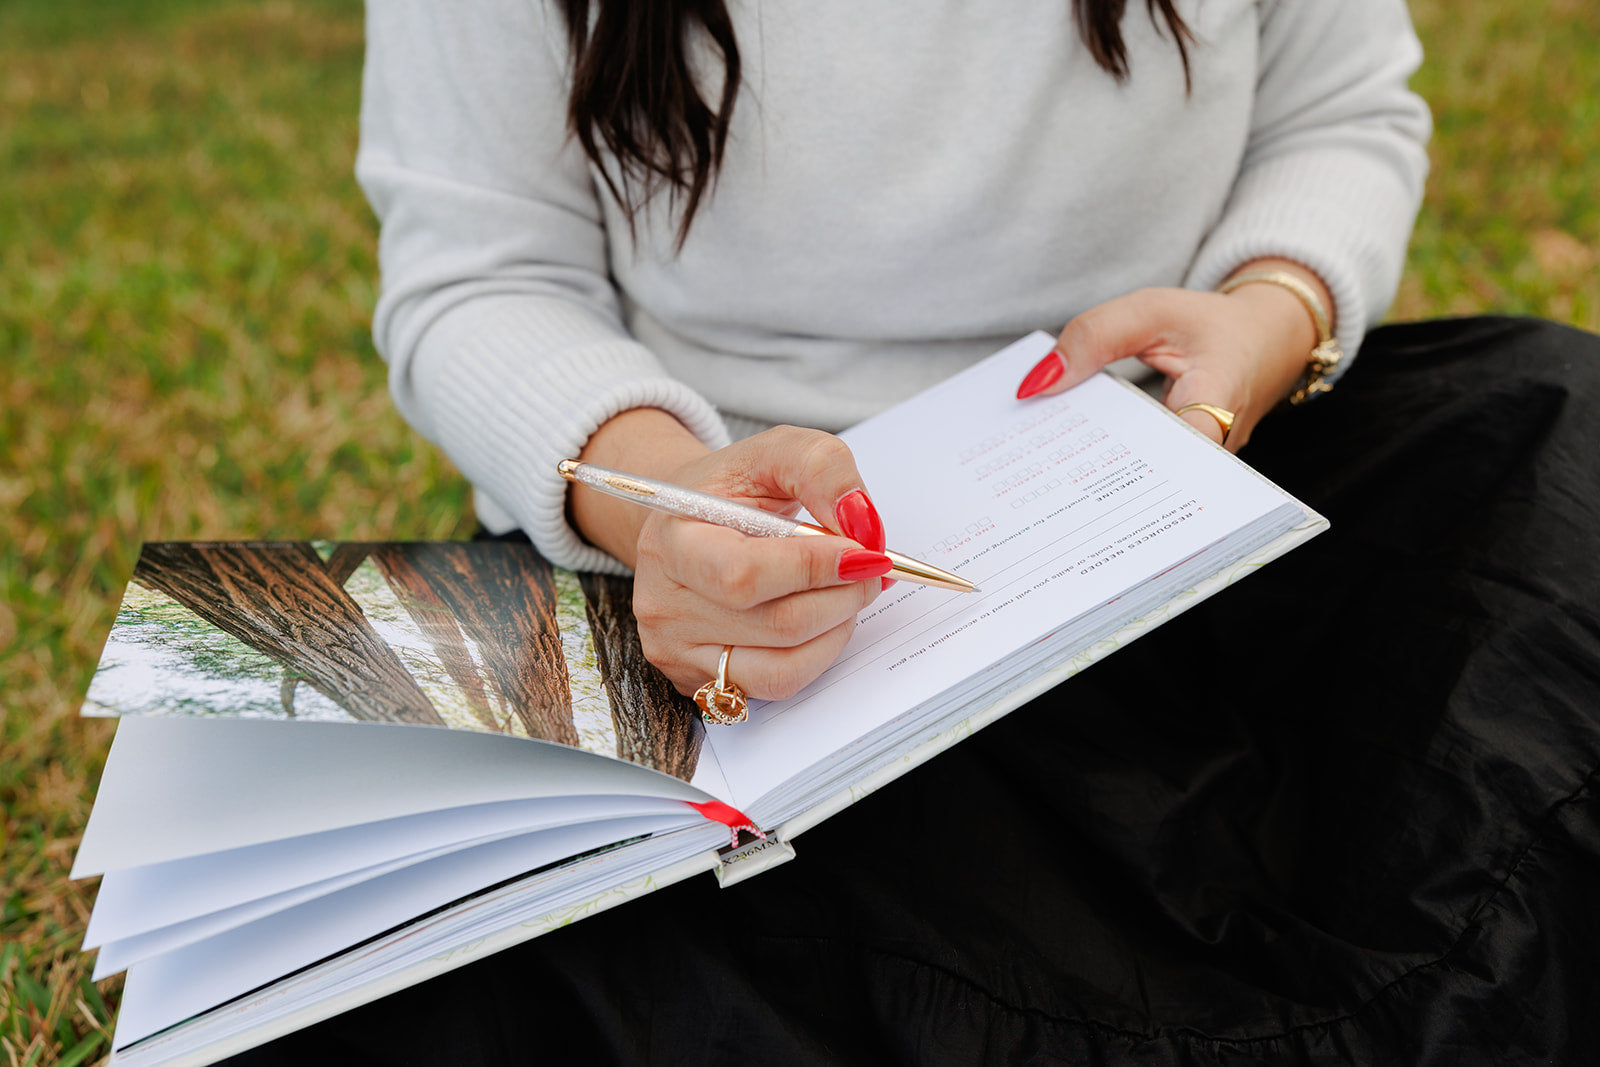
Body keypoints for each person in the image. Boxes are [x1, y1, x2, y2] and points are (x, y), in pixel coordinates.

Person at [233, 1, 1600, 1062]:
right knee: (391, 978)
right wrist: (673, 504)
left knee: (1559, 434)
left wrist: (1268, 315)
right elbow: (479, 279)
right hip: (719, 587)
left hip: (1192, 481)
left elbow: (1342, 110)